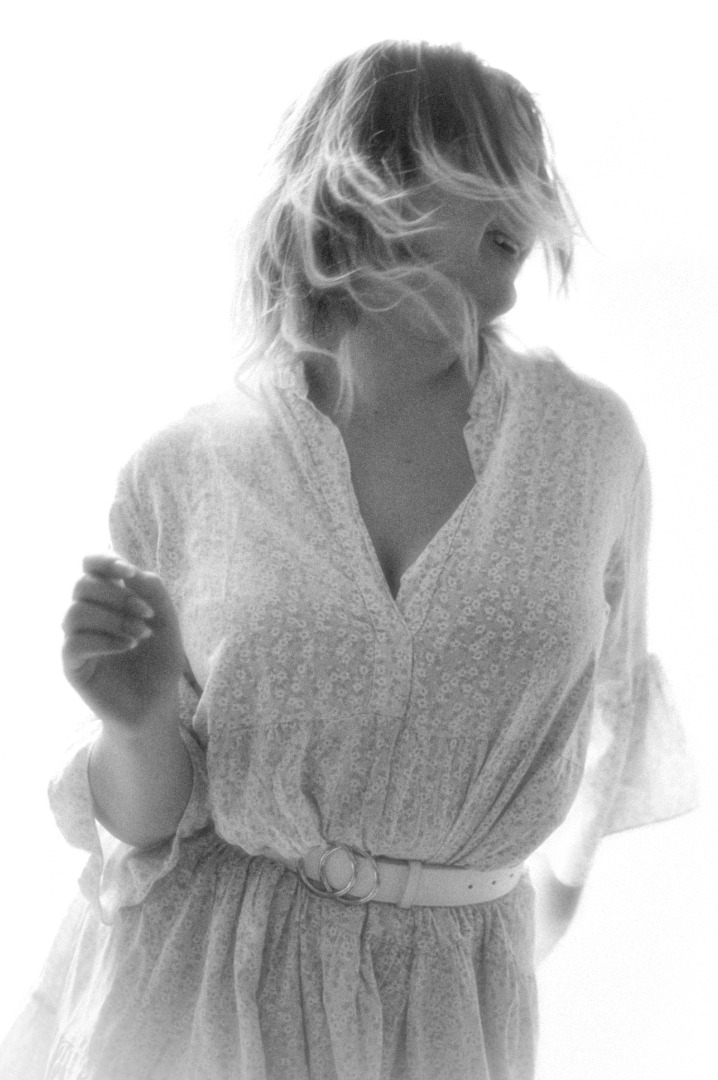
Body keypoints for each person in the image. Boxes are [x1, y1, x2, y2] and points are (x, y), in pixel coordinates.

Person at [0, 40, 698, 1080]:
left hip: (450, 1007)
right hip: (198, 997)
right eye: (482, 161)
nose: (528, 189)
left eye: (528, 176)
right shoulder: (187, 466)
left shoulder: (589, 446)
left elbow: (611, 726)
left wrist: (497, 934)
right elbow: (147, 829)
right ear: (368, 181)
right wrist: (134, 720)